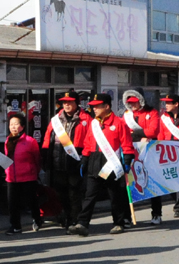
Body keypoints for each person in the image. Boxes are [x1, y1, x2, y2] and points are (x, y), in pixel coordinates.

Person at [69, 93, 134, 236]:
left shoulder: (119, 123)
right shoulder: (94, 124)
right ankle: (82, 223)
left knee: (114, 195)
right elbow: (88, 143)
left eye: (97, 106)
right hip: (95, 161)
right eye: (92, 106)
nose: (94, 109)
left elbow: (127, 145)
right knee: (89, 195)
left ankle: (119, 223)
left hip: (111, 163)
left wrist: (127, 163)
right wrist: (84, 160)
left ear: (107, 106)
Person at [44, 90, 90, 230]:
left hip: (75, 162)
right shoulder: (55, 120)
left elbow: (90, 140)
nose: (67, 105)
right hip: (57, 163)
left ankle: (74, 220)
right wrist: (45, 157)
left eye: (70, 102)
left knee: (74, 194)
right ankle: (65, 217)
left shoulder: (86, 120)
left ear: (77, 103)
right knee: (60, 193)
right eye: (64, 102)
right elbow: (47, 139)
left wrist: (85, 159)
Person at [121, 91, 168, 222]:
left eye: (135, 101)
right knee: (128, 183)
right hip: (130, 151)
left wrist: (135, 134)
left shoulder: (152, 112)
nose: (133, 104)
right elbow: (123, 131)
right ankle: (126, 216)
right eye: (130, 102)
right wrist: (140, 135)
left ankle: (156, 214)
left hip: (148, 152)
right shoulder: (126, 115)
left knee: (152, 182)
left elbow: (153, 131)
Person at [3, 111, 42, 235]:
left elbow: (37, 159)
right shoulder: (7, 141)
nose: (13, 127)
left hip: (27, 177)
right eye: (11, 124)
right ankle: (15, 226)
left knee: (31, 201)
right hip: (11, 178)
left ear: (22, 126)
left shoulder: (30, 141)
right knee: (12, 204)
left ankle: (37, 219)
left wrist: (35, 172)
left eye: (16, 124)